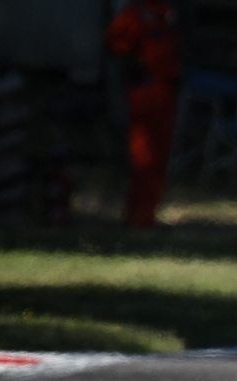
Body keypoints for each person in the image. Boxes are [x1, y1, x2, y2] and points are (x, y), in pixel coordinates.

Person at [105, 0, 181, 230]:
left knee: (158, 158)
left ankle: (147, 214)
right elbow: (117, 51)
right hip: (144, 91)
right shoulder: (134, 15)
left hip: (165, 92)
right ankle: (138, 217)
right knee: (143, 158)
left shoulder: (165, 15)